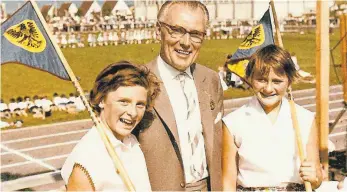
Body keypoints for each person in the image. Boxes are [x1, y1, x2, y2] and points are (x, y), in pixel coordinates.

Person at [137, 1, 224, 191]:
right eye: (176, 30)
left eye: (195, 34)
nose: (186, 42)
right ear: (158, 30)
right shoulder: (136, 81)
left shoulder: (211, 80)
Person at [222, 45, 322, 191]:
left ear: (289, 81)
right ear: (250, 79)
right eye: (261, 80)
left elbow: (317, 176)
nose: (268, 89)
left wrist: (314, 178)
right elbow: (227, 182)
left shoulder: (305, 119)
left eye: (277, 81)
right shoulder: (233, 122)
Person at [61, 61, 160, 191]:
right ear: (102, 100)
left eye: (140, 104)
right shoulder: (87, 160)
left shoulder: (131, 141)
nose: (133, 112)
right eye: (124, 102)